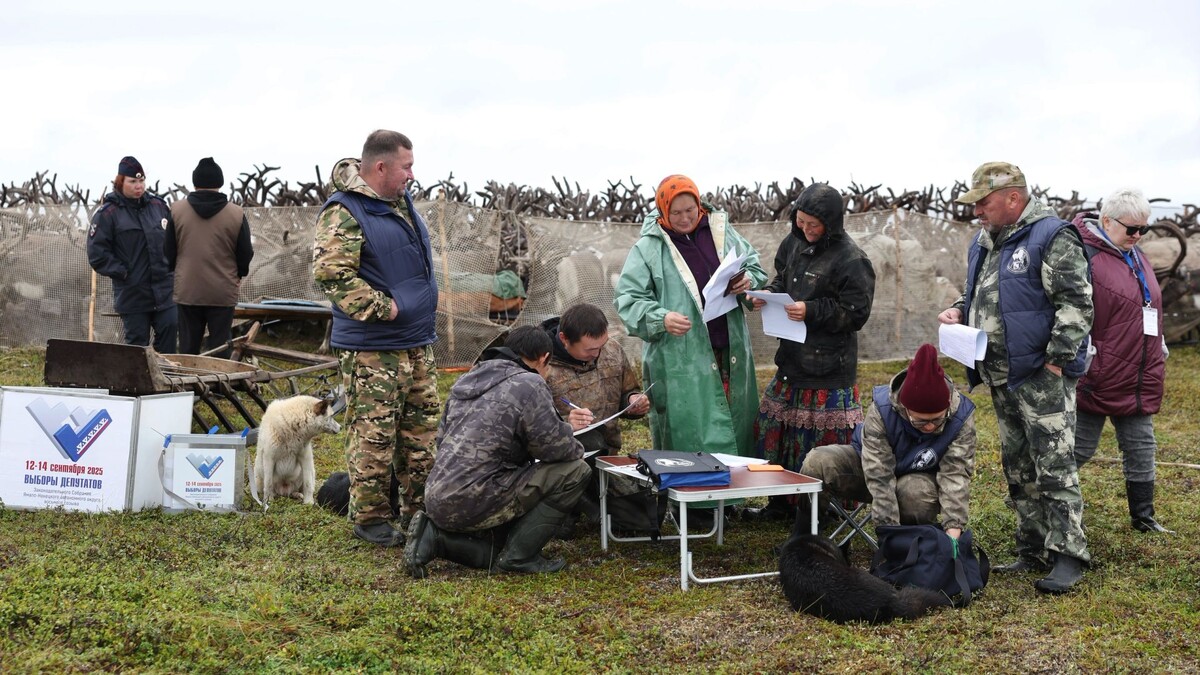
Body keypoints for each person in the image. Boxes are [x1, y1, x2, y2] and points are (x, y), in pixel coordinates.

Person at [938, 161, 1093, 594]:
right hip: (1000, 372)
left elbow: (1077, 302)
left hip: (1042, 374)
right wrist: (958, 308)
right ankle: (1033, 547)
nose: (977, 212)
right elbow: (980, 292)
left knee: (1055, 464)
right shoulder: (984, 241)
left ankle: (1068, 554)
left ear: (1013, 197)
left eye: (983, 203)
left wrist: (1058, 358)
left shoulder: (1051, 236)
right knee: (1019, 465)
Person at [312, 129, 439, 548]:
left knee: (420, 431)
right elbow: (332, 275)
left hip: (416, 342)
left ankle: (419, 510)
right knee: (374, 433)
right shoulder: (345, 211)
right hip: (373, 349)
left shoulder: (400, 205)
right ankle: (370, 517)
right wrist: (385, 309)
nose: (412, 174)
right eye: (407, 166)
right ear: (380, 166)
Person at [614, 174, 766, 523]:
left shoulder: (721, 232)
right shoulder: (649, 248)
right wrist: (661, 317)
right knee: (690, 427)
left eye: (691, 209)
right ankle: (693, 506)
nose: (685, 218)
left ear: (700, 205)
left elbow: (754, 266)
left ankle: (730, 499)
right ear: (663, 211)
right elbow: (628, 299)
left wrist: (748, 282)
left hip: (727, 345)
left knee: (731, 420)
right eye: (677, 211)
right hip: (680, 354)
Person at [405, 326, 591, 576]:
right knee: (575, 471)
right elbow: (558, 450)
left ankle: (434, 537)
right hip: (476, 497)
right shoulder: (530, 383)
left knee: (492, 552)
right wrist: (575, 440)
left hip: (439, 494)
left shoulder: (469, 378)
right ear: (544, 358)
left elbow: (442, 439)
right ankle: (519, 558)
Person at [748, 183, 876, 520]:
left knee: (817, 445)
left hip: (828, 368)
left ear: (831, 223)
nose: (805, 230)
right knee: (773, 429)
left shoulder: (852, 259)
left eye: (813, 225)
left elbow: (856, 313)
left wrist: (812, 310)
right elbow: (782, 280)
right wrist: (768, 294)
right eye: (800, 221)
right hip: (791, 360)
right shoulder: (793, 243)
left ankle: (824, 509)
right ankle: (780, 502)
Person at [800, 344, 976, 539]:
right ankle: (805, 537)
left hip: (918, 478)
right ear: (904, 408)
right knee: (817, 462)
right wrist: (889, 536)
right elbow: (879, 474)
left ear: (948, 408)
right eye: (920, 421)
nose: (929, 427)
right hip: (867, 466)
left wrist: (954, 532)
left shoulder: (961, 418)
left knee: (915, 495)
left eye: (937, 420)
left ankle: (912, 546)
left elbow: (956, 475)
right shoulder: (882, 410)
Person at [1070, 189, 1170, 533]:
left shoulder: (1134, 253)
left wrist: (1159, 342)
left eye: (1144, 229)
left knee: (1142, 446)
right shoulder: (1082, 256)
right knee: (1079, 448)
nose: (1138, 236)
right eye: (1132, 229)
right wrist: (1085, 356)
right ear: (1107, 221)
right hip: (1099, 371)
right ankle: (1036, 495)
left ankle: (1143, 516)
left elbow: (1147, 302)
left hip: (1140, 369)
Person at [164, 157, 254, 357]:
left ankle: (188, 385)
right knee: (220, 347)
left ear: (195, 183)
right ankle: (218, 386)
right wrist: (239, 275)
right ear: (219, 183)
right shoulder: (236, 213)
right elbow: (245, 252)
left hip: (188, 290)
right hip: (222, 291)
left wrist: (177, 273)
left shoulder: (176, 211)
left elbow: (168, 251)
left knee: (188, 348)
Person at [87, 156, 178, 353]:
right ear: (121, 182)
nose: (139, 186)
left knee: (171, 332)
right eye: (133, 181)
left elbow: (174, 241)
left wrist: (171, 268)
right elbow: (97, 254)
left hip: (164, 291)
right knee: (137, 348)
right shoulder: (108, 214)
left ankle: (165, 379)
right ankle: (141, 383)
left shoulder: (158, 207)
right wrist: (124, 273)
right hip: (133, 294)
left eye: (141, 180)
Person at [541, 303, 650, 455]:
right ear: (564, 339)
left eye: (602, 345)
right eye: (590, 349)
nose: (598, 353)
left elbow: (628, 390)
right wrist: (567, 424)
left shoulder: (612, 350)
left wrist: (633, 401)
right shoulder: (541, 365)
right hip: (564, 461)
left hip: (609, 454)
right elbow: (528, 426)